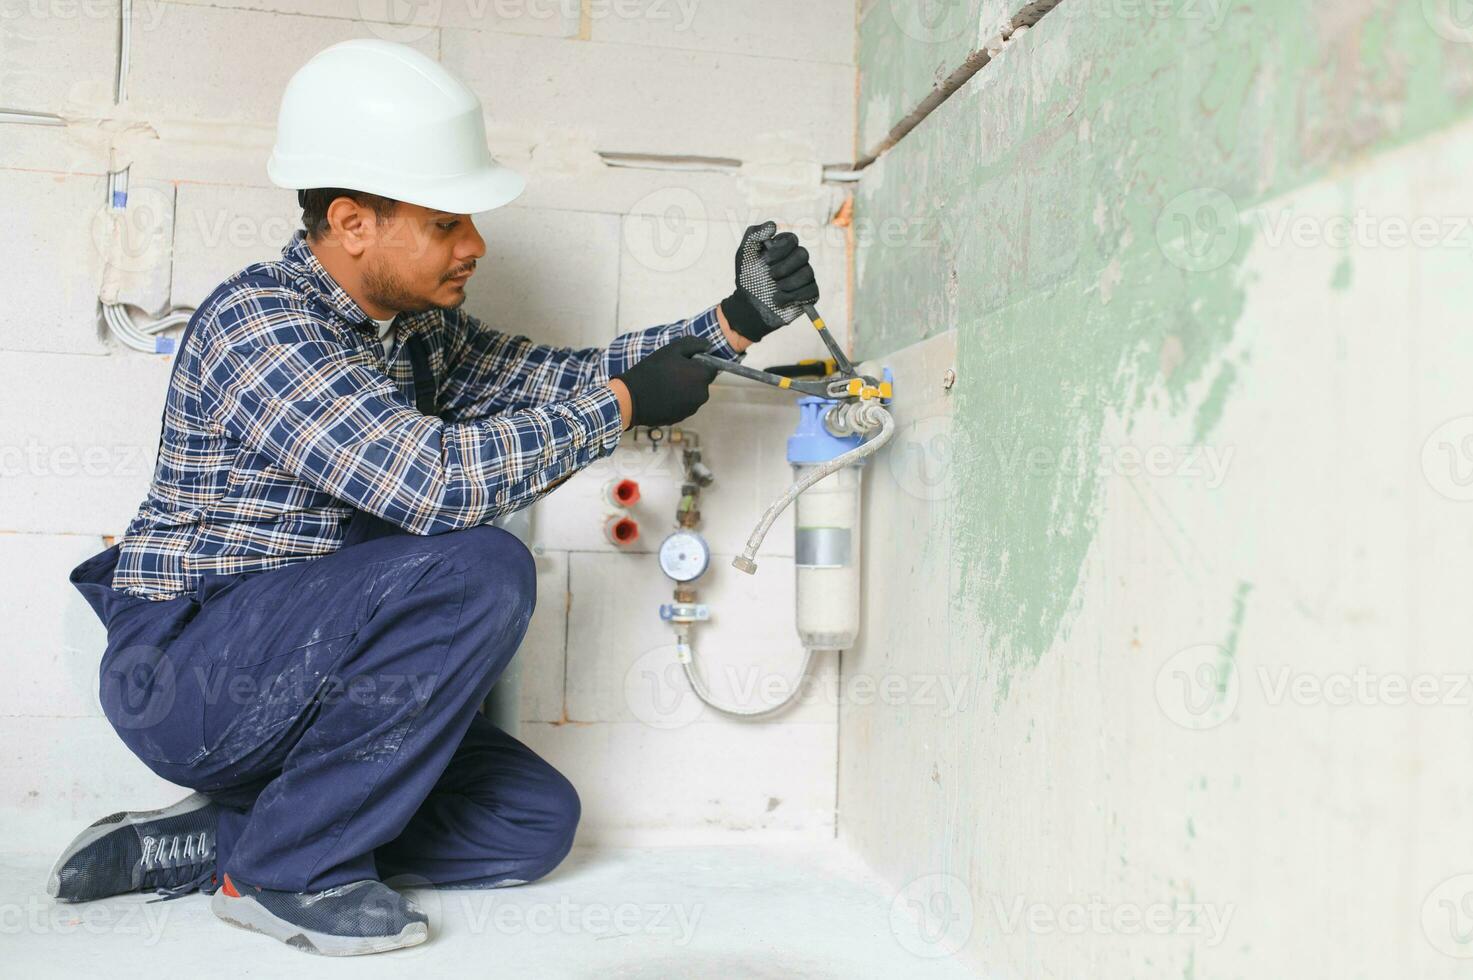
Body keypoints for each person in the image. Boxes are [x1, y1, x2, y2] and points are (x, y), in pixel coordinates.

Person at [51, 39, 821, 956]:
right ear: (352, 223)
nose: (476, 245)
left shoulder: (419, 331)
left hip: (311, 677)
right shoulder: (259, 323)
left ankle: (223, 839)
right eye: (447, 221)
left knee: (532, 821)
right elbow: (435, 484)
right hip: (190, 674)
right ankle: (282, 872)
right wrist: (620, 408)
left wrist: (732, 323)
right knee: (476, 565)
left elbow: (553, 376)